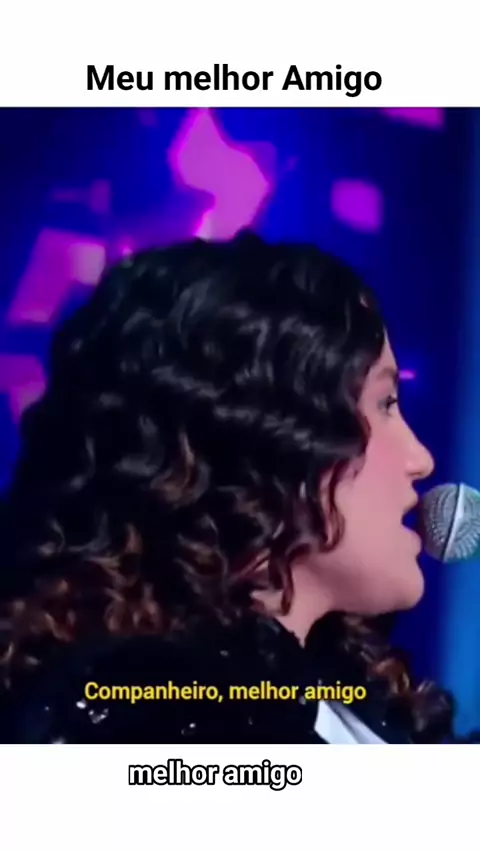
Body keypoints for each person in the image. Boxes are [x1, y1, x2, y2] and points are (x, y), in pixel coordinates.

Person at [0, 231, 454, 744]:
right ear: (269, 437)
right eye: (384, 403)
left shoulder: (343, 690)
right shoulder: (148, 723)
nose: (421, 460)